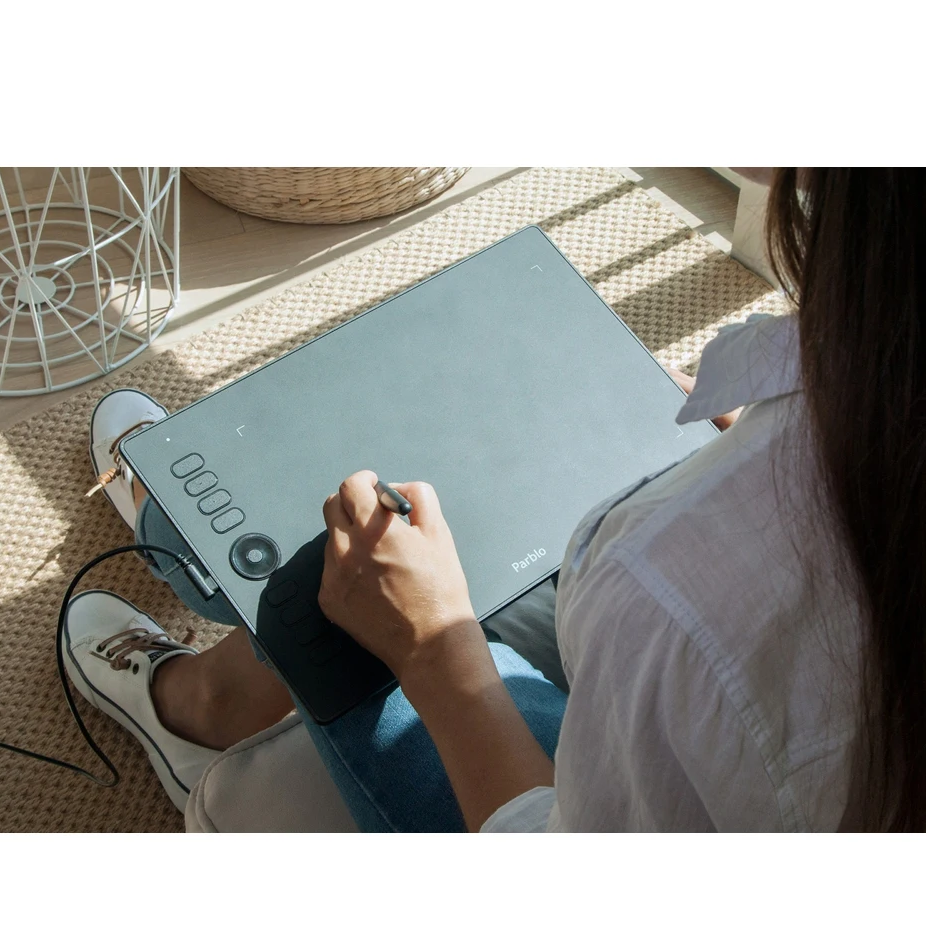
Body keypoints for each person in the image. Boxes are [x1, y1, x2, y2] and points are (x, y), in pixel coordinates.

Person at [62, 168, 925, 832]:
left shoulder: (662, 591)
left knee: (316, 588)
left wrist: (437, 646)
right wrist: (756, 437)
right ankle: (192, 522)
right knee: (510, 496)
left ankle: (194, 697)